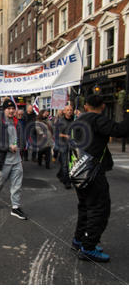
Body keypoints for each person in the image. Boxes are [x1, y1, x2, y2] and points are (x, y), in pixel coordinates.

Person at [70, 94, 129, 262]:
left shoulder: (78, 121)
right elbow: (121, 130)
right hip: (93, 172)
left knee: (85, 207)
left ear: (86, 105)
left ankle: (79, 239)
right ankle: (88, 247)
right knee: (99, 208)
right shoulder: (97, 120)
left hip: (78, 171)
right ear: (103, 106)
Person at [0, 99, 27, 220]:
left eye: (12, 108)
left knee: (17, 184)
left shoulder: (17, 123)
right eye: (8, 109)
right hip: (3, 160)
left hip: (16, 160)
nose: (11, 111)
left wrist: (21, 145)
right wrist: (8, 147)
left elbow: (20, 138)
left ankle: (15, 207)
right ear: (3, 110)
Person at [55, 105, 74, 189]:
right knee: (65, 163)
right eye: (68, 110)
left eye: (71, 110)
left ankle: (60, 174)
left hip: (73, 145)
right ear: (64, 111)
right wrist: (65, 136)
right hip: (63, 144)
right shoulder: (60, 121)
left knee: (72, 163)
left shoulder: (75, 119)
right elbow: (57, 133)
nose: (69, 111)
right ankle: (67, 182)